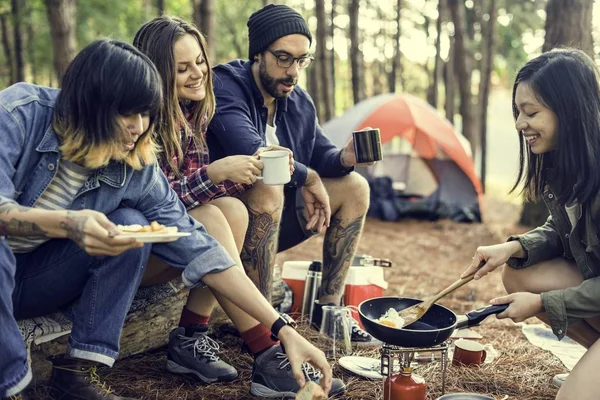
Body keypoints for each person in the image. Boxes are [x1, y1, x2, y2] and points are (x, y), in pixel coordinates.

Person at [0, 39, 335, 400]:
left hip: (38, 280)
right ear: (88, 104)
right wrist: (69, 224)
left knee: (129, 226)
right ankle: (12, 387)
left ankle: (79, 374)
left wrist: (282, 330)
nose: (138, 128)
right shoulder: (19, 113)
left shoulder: (135, 160)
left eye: (146, 114)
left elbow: (200, 248)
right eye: (127, 114)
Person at [133, 17, 345, 398]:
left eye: (199, 61)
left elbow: (197, 192)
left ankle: (189, 337)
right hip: (131, 251)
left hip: (169, 245)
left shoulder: (189, 111)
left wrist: (239, 173)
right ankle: (267, 351)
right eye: (183, 68)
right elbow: (153, 206)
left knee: (231, 209)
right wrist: (215, 174)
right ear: (157, 72)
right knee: (216, 213)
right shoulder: (139, 121)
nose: (199, 74)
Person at [206, 4, 376, 344]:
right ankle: (263, 320)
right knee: (267, 184)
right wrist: (309, 179)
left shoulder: (299, 102)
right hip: (226, 226)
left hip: (274, 222)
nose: (293, 71)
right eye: (283, 58)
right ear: (258, 53)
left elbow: (320, 155)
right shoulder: (224, 85)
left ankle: (329, 309)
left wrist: (344, 157)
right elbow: (259, 155)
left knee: (356, 186)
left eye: (301, 60)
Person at [461, 48, 600, 400]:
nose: (521, 124)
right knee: (519, 271)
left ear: (568, 111)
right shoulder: (574, 164)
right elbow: (565, 228)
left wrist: (542, 304)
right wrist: (515, 247)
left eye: (531, 112)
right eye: (518, 112)